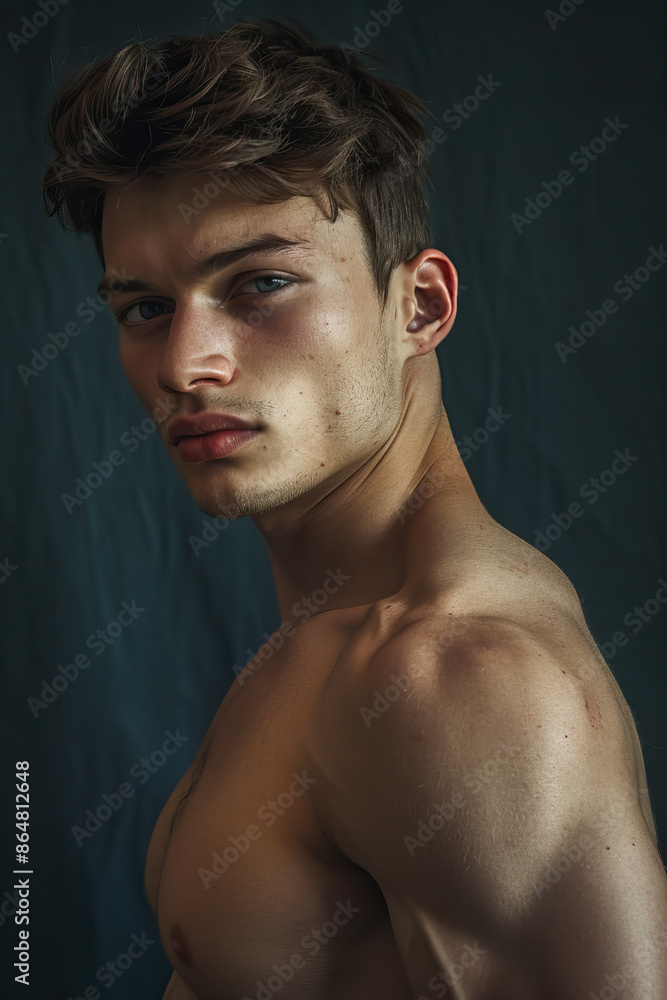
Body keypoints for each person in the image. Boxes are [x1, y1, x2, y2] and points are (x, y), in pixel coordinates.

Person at [42, 18, 667, 1000]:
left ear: (417, 305)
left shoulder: (457, 677)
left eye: (260, 284)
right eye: (144, 308)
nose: (183, 363)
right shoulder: (335, 631)